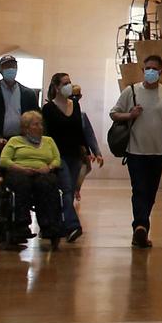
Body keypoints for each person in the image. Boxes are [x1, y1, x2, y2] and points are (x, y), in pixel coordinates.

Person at [111, 54, 162, 248]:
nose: (149, 72)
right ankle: (141, 227)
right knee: (139, 190)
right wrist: (130, 114)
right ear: (143, 71)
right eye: (146, 69)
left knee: (150, 192)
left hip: (157, 152)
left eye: (154, 69)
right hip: (135, 151)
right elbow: (114, 113)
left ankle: (141, 226)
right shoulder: (131, 91)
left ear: (161, 71)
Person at [0, 53, 40, 224]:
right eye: (7, 67)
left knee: (21, 182)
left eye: (13, 66)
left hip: (21, 144)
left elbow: (36, 118)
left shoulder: (28, 93)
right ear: (0, 70)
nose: (11, 70)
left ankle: (19, 222)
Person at [41, 71, 102, 243]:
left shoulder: (75, 105)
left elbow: (80, 131)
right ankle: (73, 226)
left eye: (70, 82)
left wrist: (87, 152)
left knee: (71, 188)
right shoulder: (48, 109)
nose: (69, 85)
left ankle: (61, 224)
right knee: (67, 189)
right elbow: (46, 134)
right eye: (65, 83)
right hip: (57, 155)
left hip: (75, 154)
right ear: (56, 87)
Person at [0, 110, 65, 246]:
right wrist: (22, 169)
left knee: (48, 184)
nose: (40, 127)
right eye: (36, 124)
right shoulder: (15, 141)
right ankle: (21, 225)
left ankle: (50, 226)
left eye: (41, 124)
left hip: (42, 173)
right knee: (22, 184)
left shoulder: (48, 141)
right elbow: (4, 161)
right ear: (25, 128)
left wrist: (49, 167)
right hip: (20, 172)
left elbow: (57, 159)